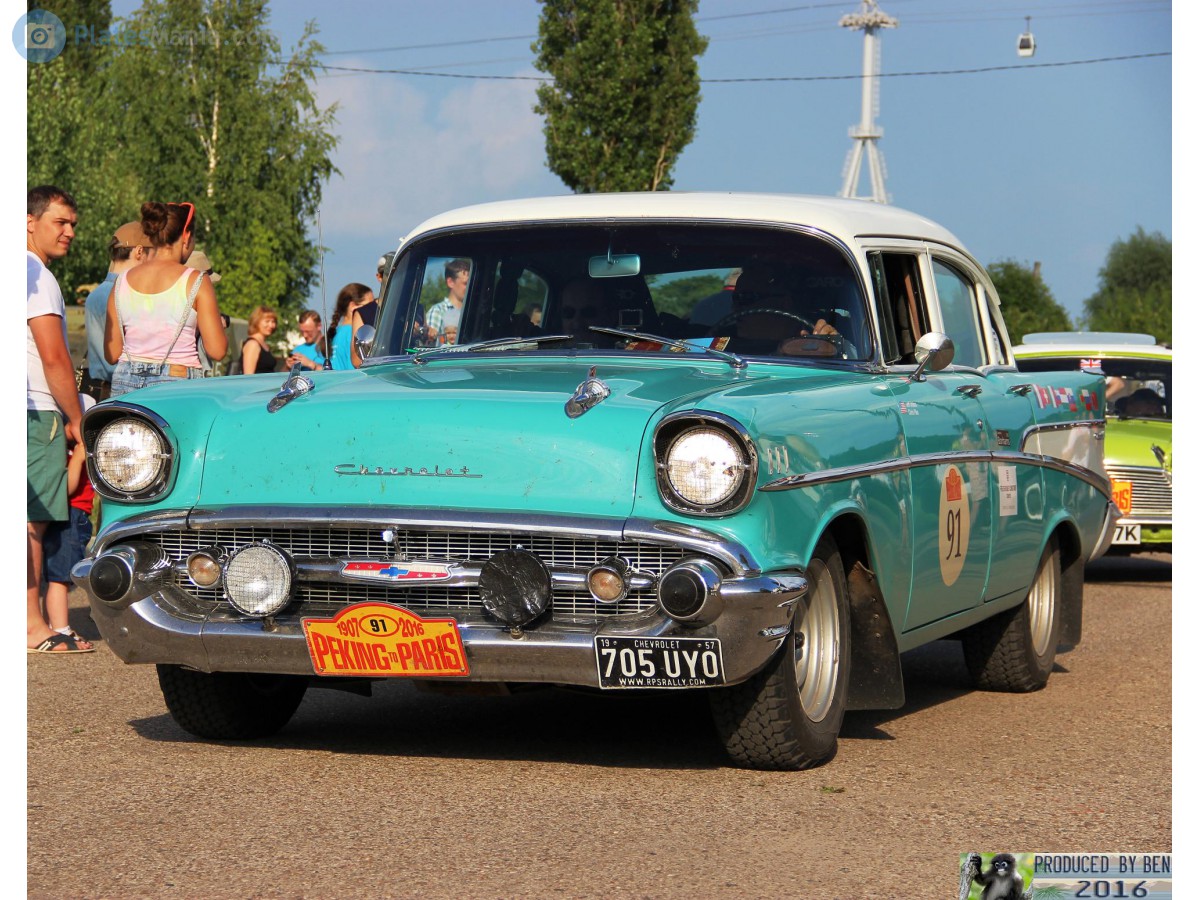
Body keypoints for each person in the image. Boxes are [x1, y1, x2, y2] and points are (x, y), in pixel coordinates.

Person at [27, 184, 88, 653]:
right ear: (30, 222)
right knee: (32, 522)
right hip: (36, 409)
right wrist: (76, 419)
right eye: (59, 222)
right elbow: (54, 358)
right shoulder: (37, 275)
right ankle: (31, 624)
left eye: (73, 224)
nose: (69, 232)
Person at [105, 201, 227, 396]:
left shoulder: (121, 282)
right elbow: (217, 350)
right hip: (176, 384)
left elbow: (111, 354)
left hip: (125, 384)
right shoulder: (196, 280)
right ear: (186, 237)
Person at [40, 393, 98, 652]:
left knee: (55, 577)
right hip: (71, 516)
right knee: (59, 578)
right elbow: (68, 488)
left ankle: (51, 626)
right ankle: (61, 628)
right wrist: (78, 458)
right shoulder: (70, 452)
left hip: (71, 516)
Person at [83, 220, 156, 401]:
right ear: (139, 251)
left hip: (103, 392)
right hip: (123, 393)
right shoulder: (124, 295)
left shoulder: (97, 294)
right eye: (153, 253)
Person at [327, 282, 373, 370]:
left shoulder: (337, 332)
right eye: (369, 306)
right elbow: (355, 368)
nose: (372, 309)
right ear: (353, 306)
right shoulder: (353, 333)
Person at [426, 258, 470, 345]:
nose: (469, 287)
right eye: (465, 283)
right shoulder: (438, 311)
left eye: (470, 283)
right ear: (450, 282)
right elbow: (431, 345)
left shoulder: (472, 312)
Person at [241, 305, 280, 374]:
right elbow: (248, 376)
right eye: (267, 321)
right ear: (256, 322)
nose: (271, 325)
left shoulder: (264, 345)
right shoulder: (252, 344)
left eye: (273, 322)